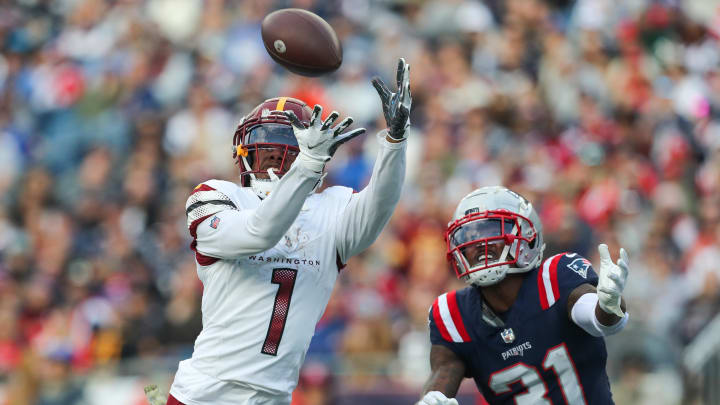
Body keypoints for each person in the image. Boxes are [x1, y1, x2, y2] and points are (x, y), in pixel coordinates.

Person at [160, 59, 412, 405]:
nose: (274, 154)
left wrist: (395, 143)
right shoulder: (219, 196)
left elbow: (380, 206)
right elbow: (258, 232)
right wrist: (307, 166)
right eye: (266, 145)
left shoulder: (331, 209)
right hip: (206, 393)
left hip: (276, 395)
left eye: (285, 146)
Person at [418, 186, 630, 405]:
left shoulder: (556, 276)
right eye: (469, 235)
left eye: (490, 231)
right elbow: (442, 375)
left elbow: (600, 319)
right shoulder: (453, 313)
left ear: (526, 236)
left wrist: (609, 303)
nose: (479, 244)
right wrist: (432, 401)